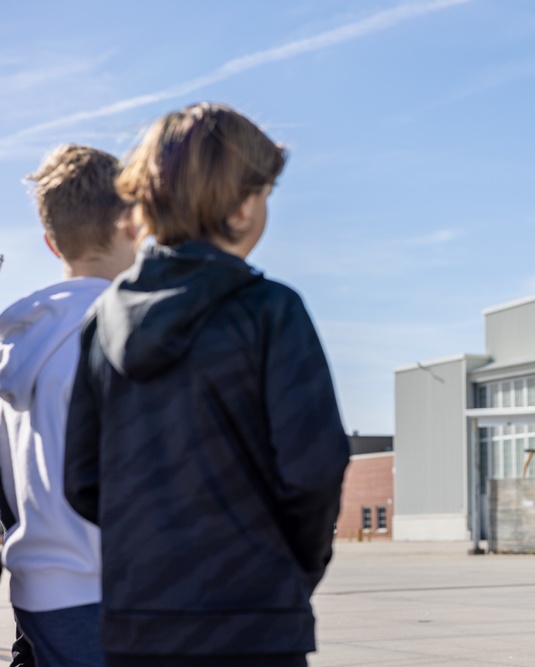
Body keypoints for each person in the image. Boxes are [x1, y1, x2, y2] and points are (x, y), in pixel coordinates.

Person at [62, 102, 351, 667]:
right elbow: (312, 470)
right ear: (243, 208)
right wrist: (292, 570)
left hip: (136, 624)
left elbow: (83, 480)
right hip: (253, 622)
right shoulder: (270, 310)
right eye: (264, 193)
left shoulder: (102, 321)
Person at [0, 144, 137, 666]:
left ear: (50, 242)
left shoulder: (18, 344)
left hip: (38, 594)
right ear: (133, 223)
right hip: (110, 593)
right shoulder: (125, 335)